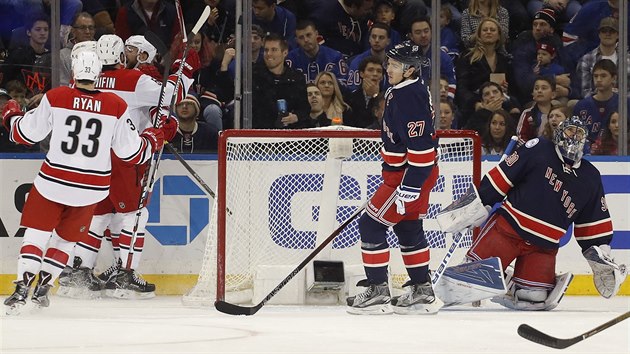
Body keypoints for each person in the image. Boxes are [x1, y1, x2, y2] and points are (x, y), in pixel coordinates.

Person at [2, 51, 165, 314]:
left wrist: (10, 116)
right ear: (98, 74)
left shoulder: (56, 97)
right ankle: (43, 287)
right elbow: (131, 153)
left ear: (75, 73)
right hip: (91, 189)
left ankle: (22, 288)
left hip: (53, 182)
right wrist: (151, 140)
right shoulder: (115, 105)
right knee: (65, 242)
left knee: (37, 234)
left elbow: (25, 134)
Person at [436, 116, 626, 310]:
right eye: (570, 131)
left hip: (543, 247)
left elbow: (594, 224)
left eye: (579, 133)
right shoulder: (538, 149)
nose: (574, 137)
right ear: (560, 133)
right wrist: (477, 203)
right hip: (507, 232)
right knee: (468, 281)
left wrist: (602, 257)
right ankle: (432, 291)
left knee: (532, 299)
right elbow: (502, 177)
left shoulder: (590, 177)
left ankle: (510, 282)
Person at [57, 34, 196, 299]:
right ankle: (125, 277)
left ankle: (78, 273)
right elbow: (173, 94)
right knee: (134, 216)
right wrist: (185, 65)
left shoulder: (84, 82)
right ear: (121, 57)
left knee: (97, 216)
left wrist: (155, 116)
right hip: (123, 159)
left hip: (90, 160)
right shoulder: (133, 80)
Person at [346, 41, 442, 315]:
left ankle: (377, 291)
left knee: (371, 225)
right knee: (407, 228)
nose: (388, 68)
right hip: (406, 173)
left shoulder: (409, 95)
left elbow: (422, 148)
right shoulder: (403, 88)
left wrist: (409, 187)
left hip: (408, 176)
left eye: (395, 65)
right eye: (389, 63)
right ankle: (422, 291)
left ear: (410, 69)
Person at [286, 20, 347, 85]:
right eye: (301, 37)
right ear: (297, 40)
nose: (306, 40)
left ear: (316, 34)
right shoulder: (290, 59)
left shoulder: (335, 57)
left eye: (308, 35)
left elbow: (343, 84)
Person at [60, 12, 96, 87]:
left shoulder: (101, 52)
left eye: (91, 28)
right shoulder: (63, 55)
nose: (87, 31)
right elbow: (63, 85)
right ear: (73, 31)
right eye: (82, 28)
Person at [516, 76, 556, 141]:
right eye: (536, 88)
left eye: (544, 88)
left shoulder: (558, 114)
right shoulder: (527, 113)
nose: (539, 91)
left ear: (553, 94)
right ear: (533, 95)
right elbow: (520, 136)